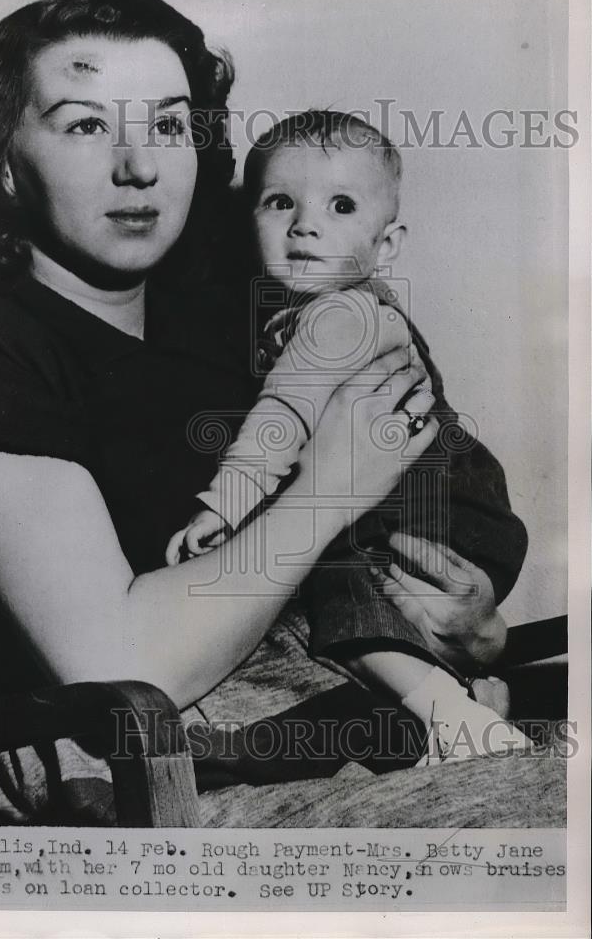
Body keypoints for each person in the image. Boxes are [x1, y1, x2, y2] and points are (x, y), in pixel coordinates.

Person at [0, 0, 562, 825]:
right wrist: (331, 484)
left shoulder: (258, 316)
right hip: (157, 778)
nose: (141, 167)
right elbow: (117, 663)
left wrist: (471, 627)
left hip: (366, 727)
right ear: (5, 163)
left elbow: (391, 553)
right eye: (87, 124)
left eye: (168, 125)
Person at [166, 110, 530, 762]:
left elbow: (282, 416)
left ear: (386, 245)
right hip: (455, 508)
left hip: (443, 504)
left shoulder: (341, 314)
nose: (305, 224)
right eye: (280, 202)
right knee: (327, 578)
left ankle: (452, 716)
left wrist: (223, 507)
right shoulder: (321, 310)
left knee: (330, 580)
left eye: (340, 205)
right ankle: (458, 700)